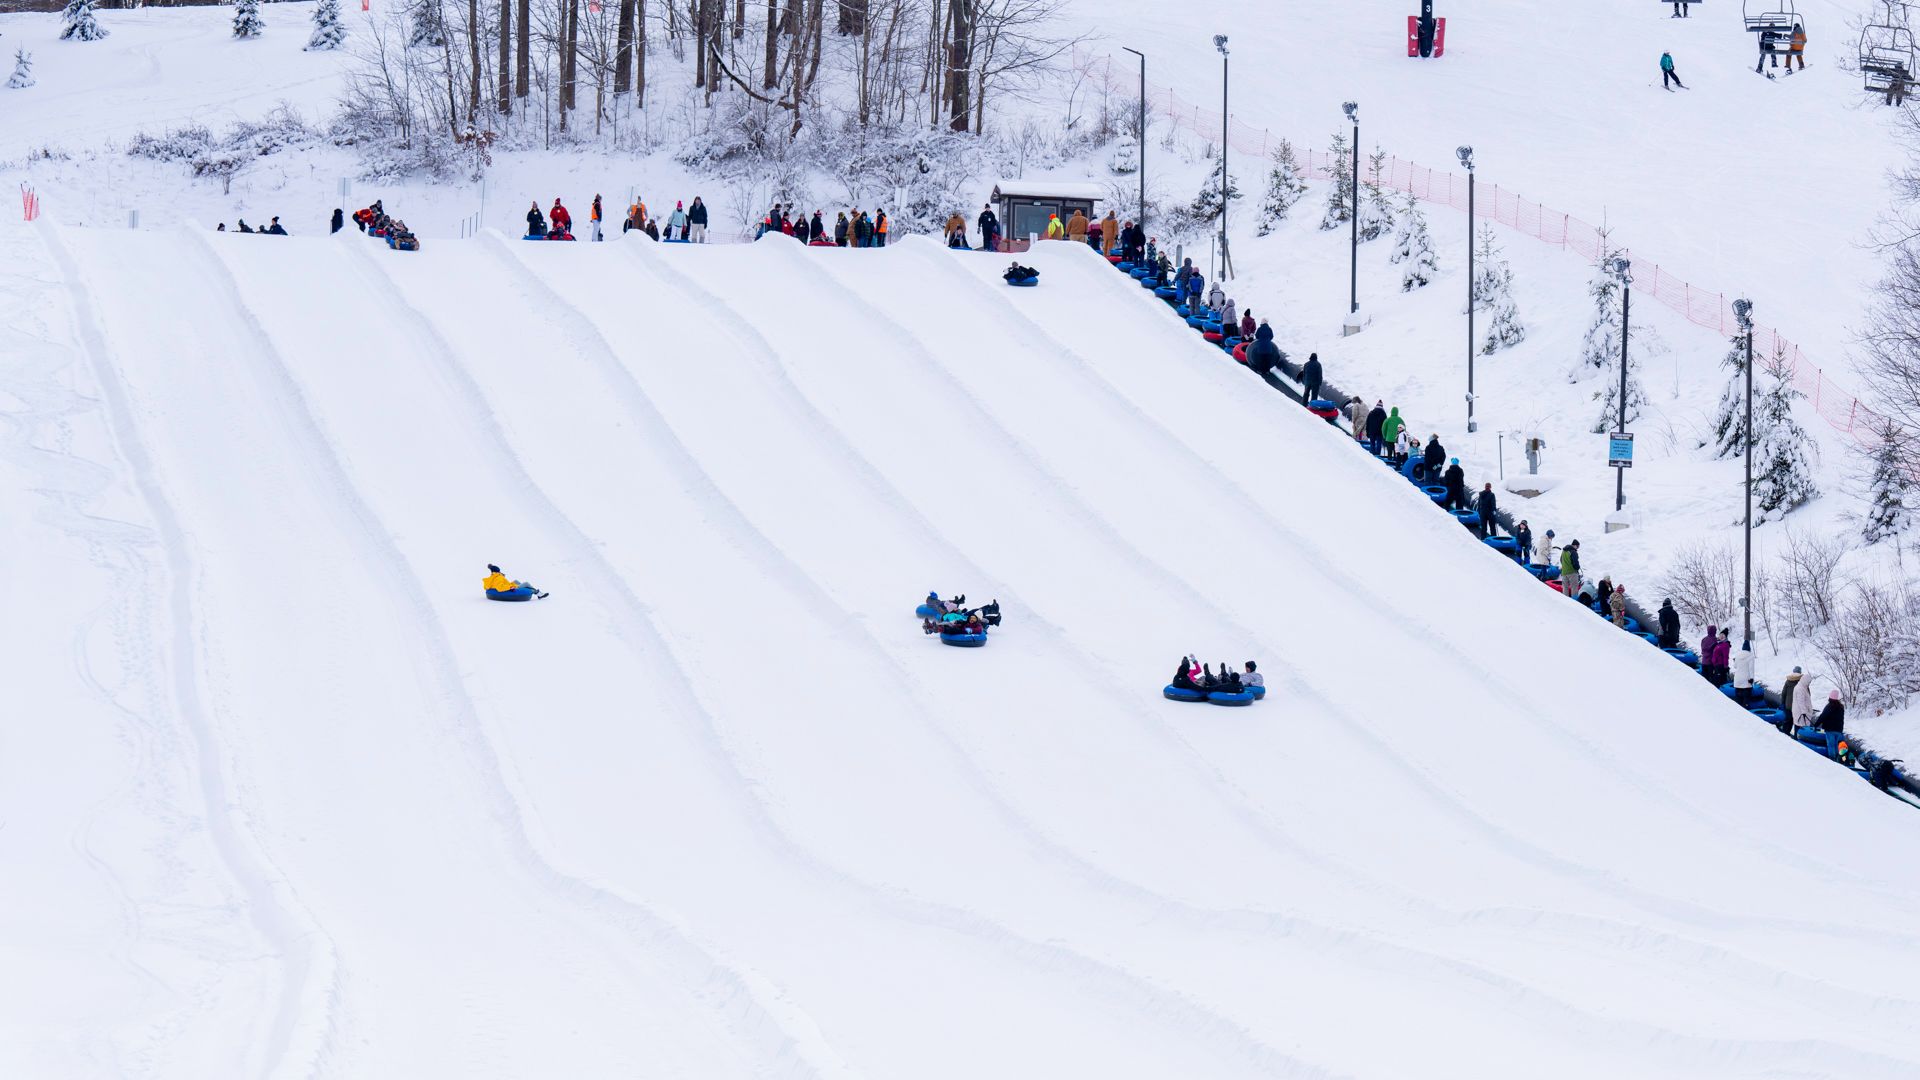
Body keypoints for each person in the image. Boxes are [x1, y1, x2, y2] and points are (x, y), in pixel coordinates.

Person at [1815, 690, 1845, 756]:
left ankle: (1832, 759)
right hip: (1838, 730)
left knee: (1831, 745)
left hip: (1830, 729)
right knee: (1836, 745)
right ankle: (1837, 758)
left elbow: (1822, 716)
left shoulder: (1829, 706)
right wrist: (1841, 730)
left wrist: (1816, 725)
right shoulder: (1841, 707)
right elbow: (1842, 719)